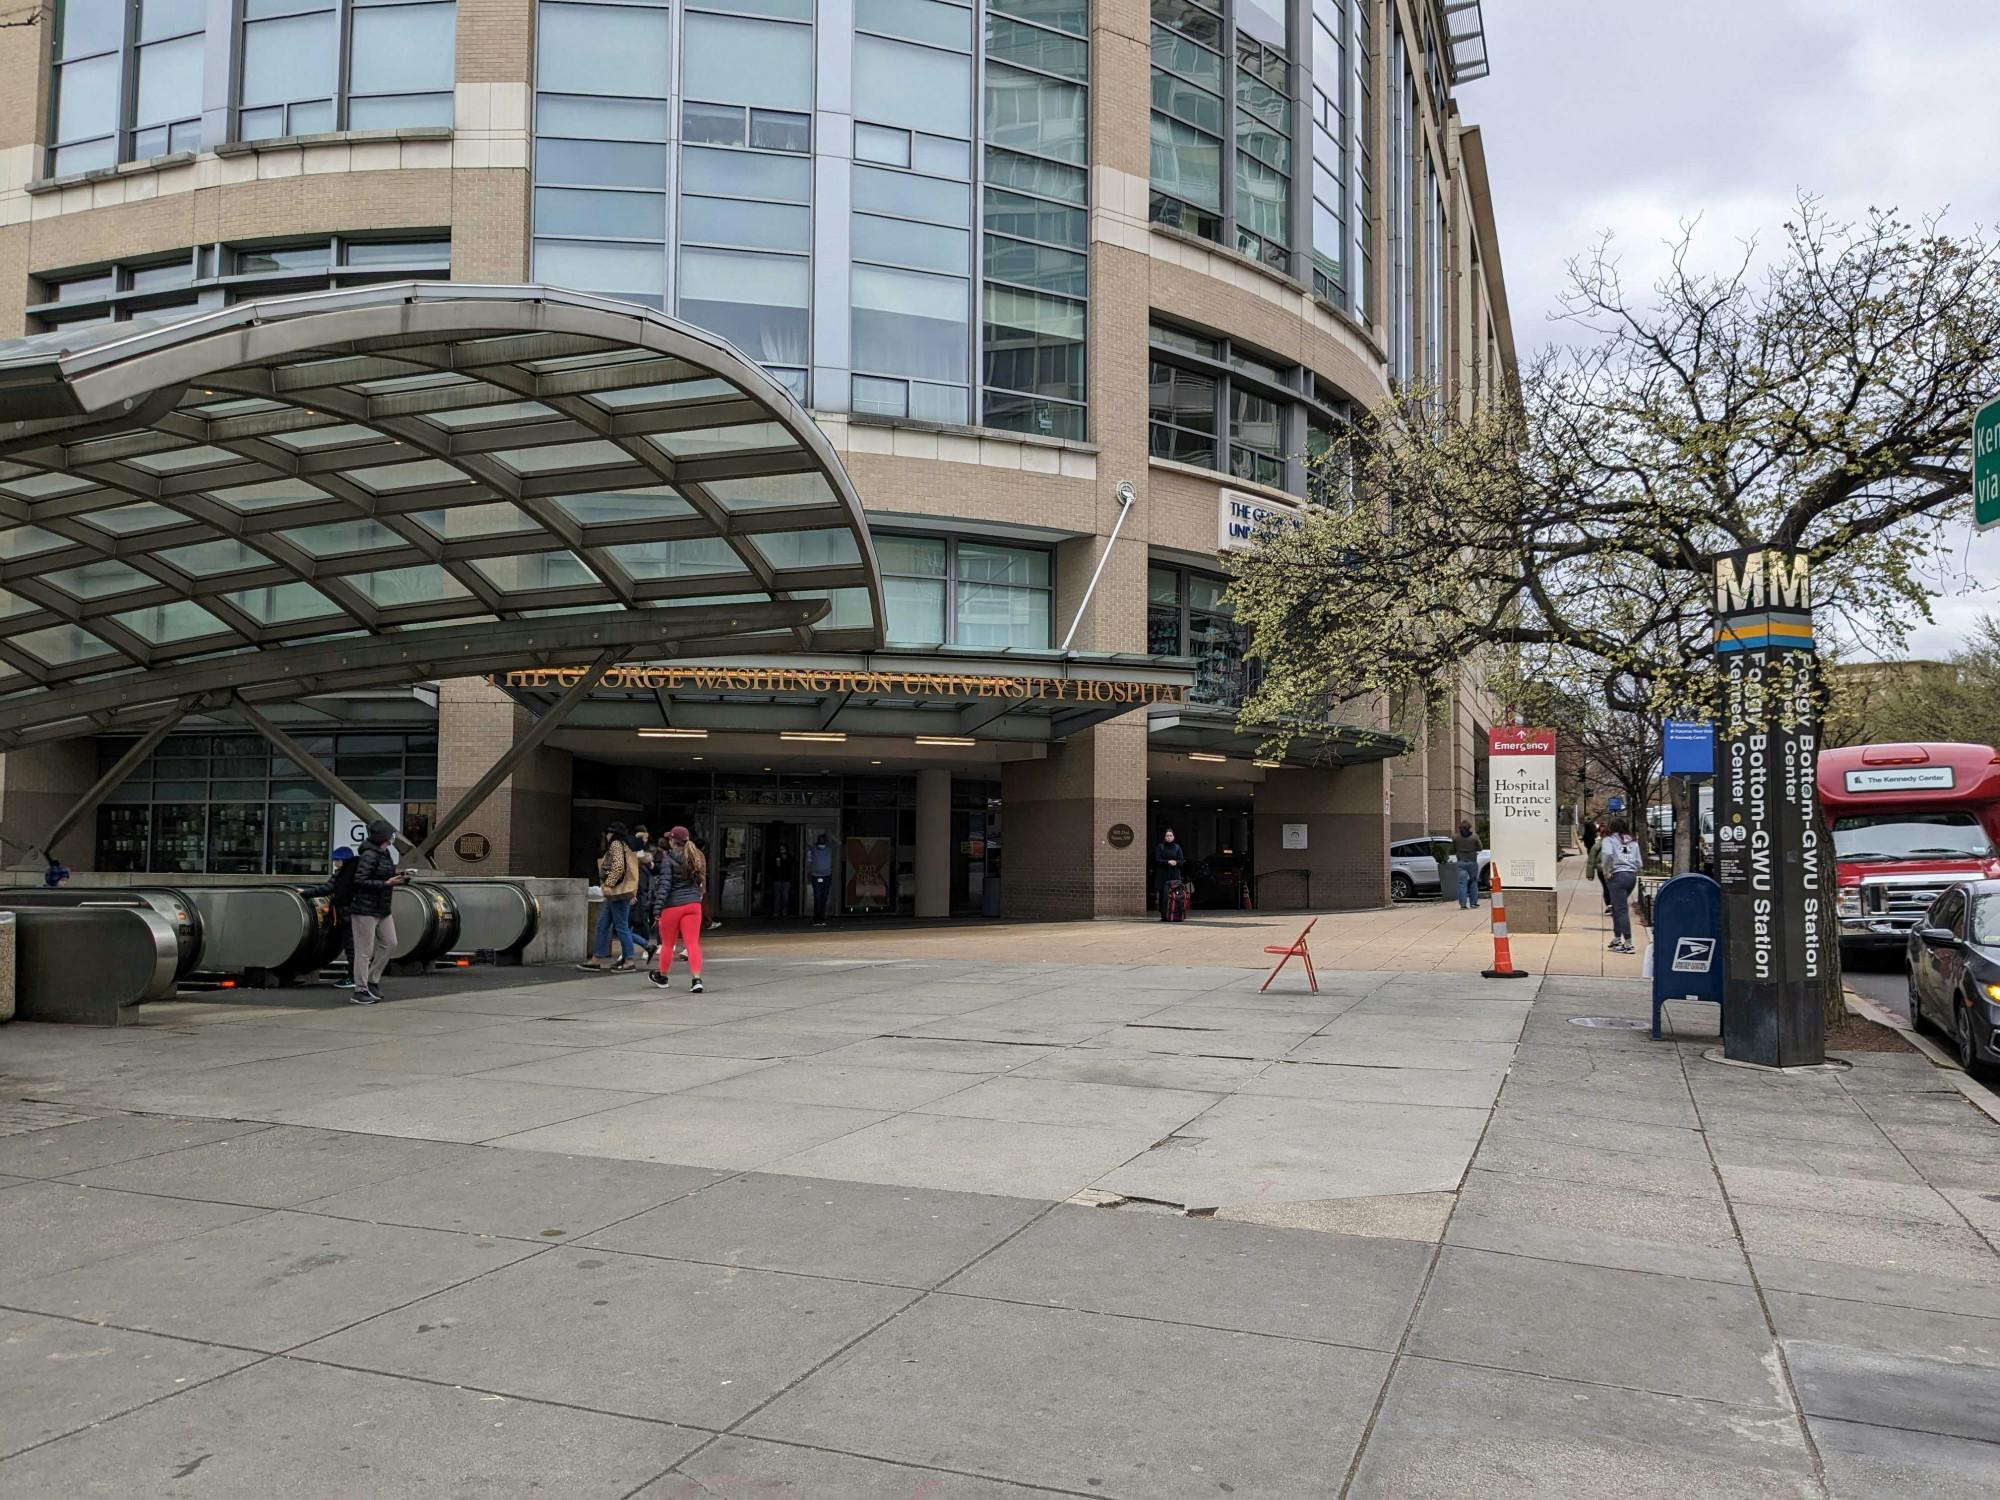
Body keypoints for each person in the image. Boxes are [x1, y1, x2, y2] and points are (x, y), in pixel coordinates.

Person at [347, 820, 409, 1004]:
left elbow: (380, 876)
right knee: (364, 950)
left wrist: (399, 877)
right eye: (389, 838)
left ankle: (372, 981)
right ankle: (360, 989)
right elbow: (359, 881)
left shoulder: (384, 853)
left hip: (381, 907)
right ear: (382, 838)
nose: (390, 841)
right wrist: (386, 883)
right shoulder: (369, 855)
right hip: (365, 908)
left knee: (390, 943)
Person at [643, 826, 708, 992]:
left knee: (667, 944)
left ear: (673, 841)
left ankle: (663, 976)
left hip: (672, 907)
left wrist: (657, 910)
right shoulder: (695, 858)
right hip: (693, 905)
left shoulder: (668, 859)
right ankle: (696, 979)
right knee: (692, 944)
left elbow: (664, 886)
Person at [579, 823, 640, 972]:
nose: (606, 836)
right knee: (603, 924)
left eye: (607, 833)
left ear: (612, 833)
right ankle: (597, 958)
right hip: (618, 894)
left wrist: (608, 884)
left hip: (616, 894)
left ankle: (629, 960)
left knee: (620, 926)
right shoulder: (626, 846)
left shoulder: (616, 845)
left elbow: (618, 867)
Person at [299, 846, 359, 989]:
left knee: (351, 947)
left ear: (342, 861)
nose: (335, 864)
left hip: (344, 914)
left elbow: (327, 889)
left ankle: (353, 977)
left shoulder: (342, 874)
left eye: (336, 861)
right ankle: (357, 975)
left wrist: (306, 892)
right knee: (354, 946)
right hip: (355, 913)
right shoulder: (356, 873)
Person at [1601, 818, 1644, 954]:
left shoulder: (1608, 840)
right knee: (1617, 907)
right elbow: (1639, 862)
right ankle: (1617, 938)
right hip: (1630, 876)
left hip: (1617, 876)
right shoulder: (1633, 841)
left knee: (1620, 909)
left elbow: (1607, 854)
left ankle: (1628, 942)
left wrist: (1606, 870)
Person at [631, 826, 656, 962]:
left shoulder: (648, 853)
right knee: (628, 922)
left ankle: (646, 945)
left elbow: (653, 866)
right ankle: (642, 946)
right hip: (634, 889)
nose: (643, 841)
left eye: (645, 838)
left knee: (642, 920)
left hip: (643, 889)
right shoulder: (630, 851)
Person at [1154, 828, 1185, 921]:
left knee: (1175, 895)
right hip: (1163, 875)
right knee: (1164, 895)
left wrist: (1176, 862)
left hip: (1174, 874)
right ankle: (1164, 915)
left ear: (1173, 837)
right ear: (1164, 837)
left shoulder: (1177, 847)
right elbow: (1157, 860)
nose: (1169, 837)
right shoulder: (1160, 847)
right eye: (1167, 836)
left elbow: (1182, 861)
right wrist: (1168, 862)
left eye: (1170, 835)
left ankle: (1176, 914)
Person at [806, 832, 836, 926]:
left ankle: (822, 919)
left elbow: (838, 843)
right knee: (818, 897)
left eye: (823, 839)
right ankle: (816, 919)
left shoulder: (829, 848)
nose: (821, 841)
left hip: (826, 875)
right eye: (820, 839)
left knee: (824, 898)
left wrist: (831, 835)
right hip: (816, 876)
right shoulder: (814, 848)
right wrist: (812, 835)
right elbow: (808, 842)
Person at [1452, 820, 1482, 909]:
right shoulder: (1474, 837)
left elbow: (1452, 849)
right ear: (1469, 827)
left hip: (1461, 862)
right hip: (1472, 861)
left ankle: (1463, 905)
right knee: (1473, 882)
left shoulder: (1455, 837)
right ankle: (1473, 903)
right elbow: (1480, 848)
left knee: (1462, 883)